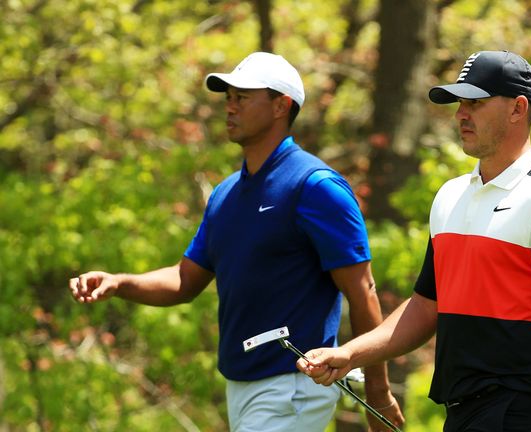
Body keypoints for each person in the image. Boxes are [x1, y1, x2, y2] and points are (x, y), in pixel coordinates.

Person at [297, 51, 531, 432]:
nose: (461, 114)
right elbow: (426, 306)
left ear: (517, 109)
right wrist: (350, 353)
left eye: (476, 103)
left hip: (521, 418)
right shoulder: (449, 197)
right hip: (460, 416)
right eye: (460, 103)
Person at [68, 52, 404, 432]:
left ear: (282, 105)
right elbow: (184, 281)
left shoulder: (315, 187)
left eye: (242, 98)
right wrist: (119, 283)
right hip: (240, 386)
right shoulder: (225, 194)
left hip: (292, 384)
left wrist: (378, 391)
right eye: (228, 97)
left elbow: (363, 292)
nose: (229, 106)